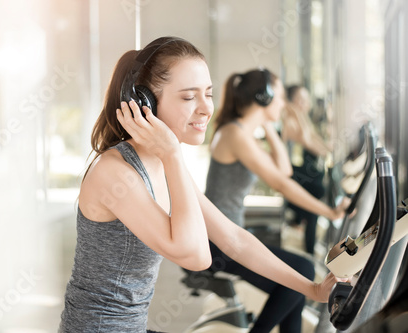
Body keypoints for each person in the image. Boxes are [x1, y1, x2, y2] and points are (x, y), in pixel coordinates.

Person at [58, 37, 346, 333]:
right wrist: (171, 153)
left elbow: (233, 239)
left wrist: (312, 290)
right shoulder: (116, 173)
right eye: (188, 97)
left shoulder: (160, 162)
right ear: (144, 102)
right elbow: (197, 256)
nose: (206, 108)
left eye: (208, 94)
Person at [204, 69, 349, 333]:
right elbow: (282, 183)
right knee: (302, 271)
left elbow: (284, 169)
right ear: (264, 97)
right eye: (279, 97)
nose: (283, 104)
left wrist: (267, 124)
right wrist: (330, 213)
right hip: (219, 243)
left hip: (230, 235)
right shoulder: (234, 135)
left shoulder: (242, 133)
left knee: (294, 281)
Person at [282, 85, 333, 255]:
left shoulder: (300, 119)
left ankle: (310, 246)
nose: (307, 105)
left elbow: (314, 140)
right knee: (318, 192)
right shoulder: (289, 120)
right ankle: (309, 250)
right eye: (301, 101)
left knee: (318, 186)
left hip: (295, 172)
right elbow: (306, 139)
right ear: (292, 102)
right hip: (288, 176)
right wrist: (296, 111)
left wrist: (329, 149)